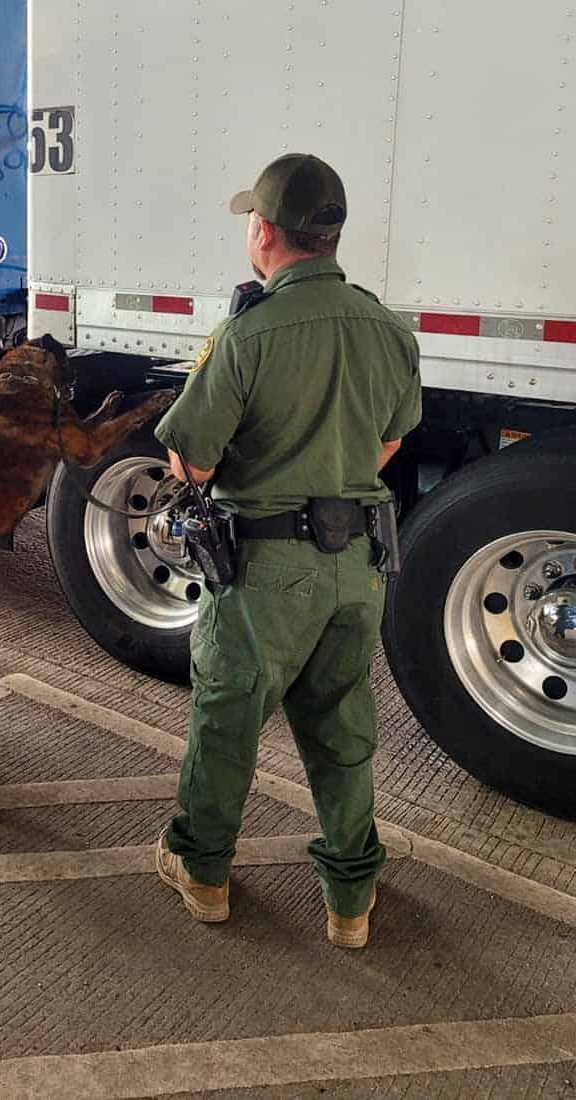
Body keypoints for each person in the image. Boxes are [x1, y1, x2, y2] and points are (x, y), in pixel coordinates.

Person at [153, 153, 422, 948]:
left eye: (250, 221)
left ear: (264, 232)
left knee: (228, 717)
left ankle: (201, 872)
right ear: (331, 234)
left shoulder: (249, 329)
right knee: (342, 729)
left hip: (266, 570)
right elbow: (392, 438)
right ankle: (350, 901)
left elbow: (193, 463)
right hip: (359, 567)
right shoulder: (387, 327)